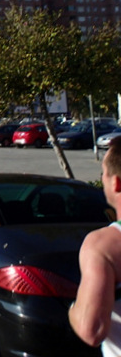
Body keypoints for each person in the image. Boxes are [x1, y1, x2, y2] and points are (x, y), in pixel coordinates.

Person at [70, 137, 121, 352]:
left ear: (116, 182)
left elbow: (92, 330)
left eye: (104, 172)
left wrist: (74, 308)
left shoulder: (103, 245)